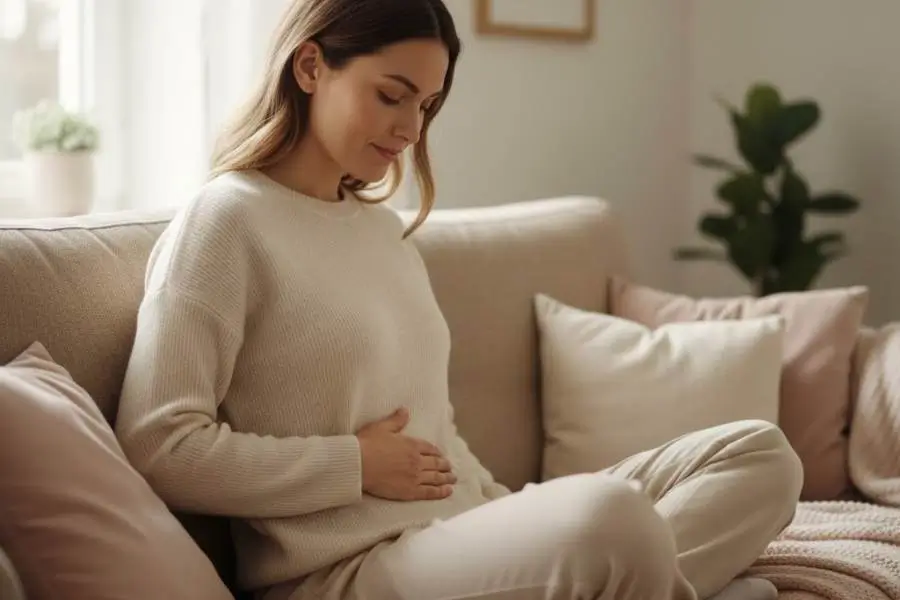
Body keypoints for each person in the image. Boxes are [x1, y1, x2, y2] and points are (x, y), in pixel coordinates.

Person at [113, 1, 803, 599]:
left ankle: (626, 581)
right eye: (393, 94)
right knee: (612, 520)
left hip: (457, 535)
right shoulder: (225, 221)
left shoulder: (383, 231)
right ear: (310, 67)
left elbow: (436, 434)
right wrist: (354, 464)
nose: (412, 129)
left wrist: (513, 523)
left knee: (760, 456)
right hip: (344, 573)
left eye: (427, 104)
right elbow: (157, 447)